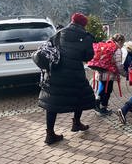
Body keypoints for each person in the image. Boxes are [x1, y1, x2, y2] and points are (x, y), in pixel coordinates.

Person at [38, 12, 96, 145]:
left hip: (56, 72)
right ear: (83, 25)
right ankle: (76, 123)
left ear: (72, 21)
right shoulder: (86, 37)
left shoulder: (59, 33)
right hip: (75, 73)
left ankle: (50, 134)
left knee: (52, 103)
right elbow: (88, 57)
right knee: (79, 96)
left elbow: (49, 47)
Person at [95, 33, 126, 115]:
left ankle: (97, 103)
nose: (122, 45)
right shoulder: (117, 49)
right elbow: (119, 65)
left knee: (102, 89)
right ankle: (103, 108)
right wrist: (125, 74)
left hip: (100, 71)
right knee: (107, 91)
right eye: (122, 43)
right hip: (109, 74)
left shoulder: (106, 44)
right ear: (119, 41)